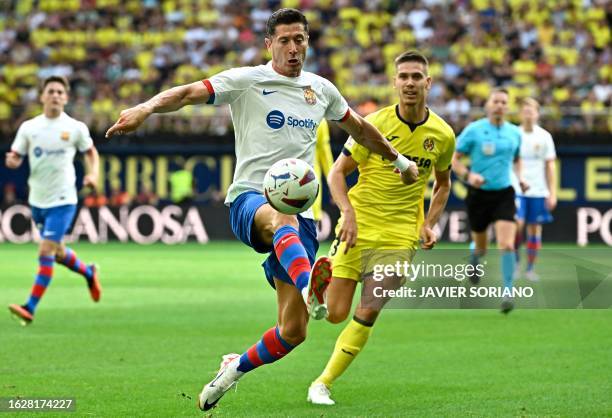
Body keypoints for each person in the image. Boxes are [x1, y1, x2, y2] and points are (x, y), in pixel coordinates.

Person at [105, 9, 418, 411]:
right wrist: (145, 109)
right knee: (281, 215)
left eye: (299, 39)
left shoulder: (320, 89)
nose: (293, 47)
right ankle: (311, 286)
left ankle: (232, 370)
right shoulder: (246, 80)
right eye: (284, 40)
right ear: (269, 44)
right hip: (250, 199)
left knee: (293, 332)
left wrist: (399, 160)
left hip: (298, 220)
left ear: (307, 42)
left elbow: (358, 127)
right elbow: (185, 94)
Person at [307, 51, 456, 405]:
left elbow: (444, 184)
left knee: (370, 309)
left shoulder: (443, 135)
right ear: (394, 82)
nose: (409, 83)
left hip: (400, 234)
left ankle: (322, 383)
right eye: (403, 76)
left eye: (416, 76)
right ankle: (318, 288)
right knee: (336, 314)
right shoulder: (372, 124)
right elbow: (337, 173)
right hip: (357, 224)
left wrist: (430, 224)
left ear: (428, 83)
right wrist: (348, 213)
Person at [6, 75, 102, 326]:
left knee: (46, 250)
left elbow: (91, 153)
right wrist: (13, 160)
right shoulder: (29, 127)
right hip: (37, 199)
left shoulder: (75, 127)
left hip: (63, 199)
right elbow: (16, 154)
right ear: (42, 96)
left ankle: (30, 307)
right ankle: (89, 272)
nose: (56, 95)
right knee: (58, 252)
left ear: (66, 98)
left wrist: (92, 174)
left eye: (61, 91)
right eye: (51, 91)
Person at [451, 89, 527, 314]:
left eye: (504, 102)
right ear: (487, 105)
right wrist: (468, 176)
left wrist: (521, 178)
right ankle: (475, 256)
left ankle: (508, 292)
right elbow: (453, 158)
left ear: (508, 107)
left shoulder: (514, 133)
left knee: (507, 244)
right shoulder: (474, 131)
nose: (500, 106)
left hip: (504, 193)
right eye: (496, 101)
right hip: (478, 195)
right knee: (483, 247)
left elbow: (517, 158)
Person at [514, 97, 557, 281]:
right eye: (525, 111)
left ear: (537, 114)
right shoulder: (513, 134)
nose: (528, 114)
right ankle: (515, 265)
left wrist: (552, 193)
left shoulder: (544, 136)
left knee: (534, 229)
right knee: (517, 226)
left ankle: (530, 269)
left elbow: (550, 166)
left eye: (532, 111)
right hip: (516, 189)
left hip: (538, 190)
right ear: (520, 113)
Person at [311, 119, 334, 223]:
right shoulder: (320, 119)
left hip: (310, 191)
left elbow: (325, 156)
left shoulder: (319, 119)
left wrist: (334, 186)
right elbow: (325, 155)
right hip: (309, 192)